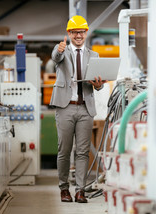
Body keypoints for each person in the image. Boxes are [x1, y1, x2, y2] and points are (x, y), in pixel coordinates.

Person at [50, 15, 107, 203]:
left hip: (85, 108)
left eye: (81, 31)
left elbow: (98, 86)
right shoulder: (62, 52)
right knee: (64, 150)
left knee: (82, 152)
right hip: (65, 107)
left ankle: (80, 190)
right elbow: (55, 58)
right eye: (75, 32)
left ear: (86, 33)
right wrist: (59, 50)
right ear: (69, 33)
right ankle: (64, 188)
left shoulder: (94, 56)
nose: (78, 35)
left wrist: (99, 84)